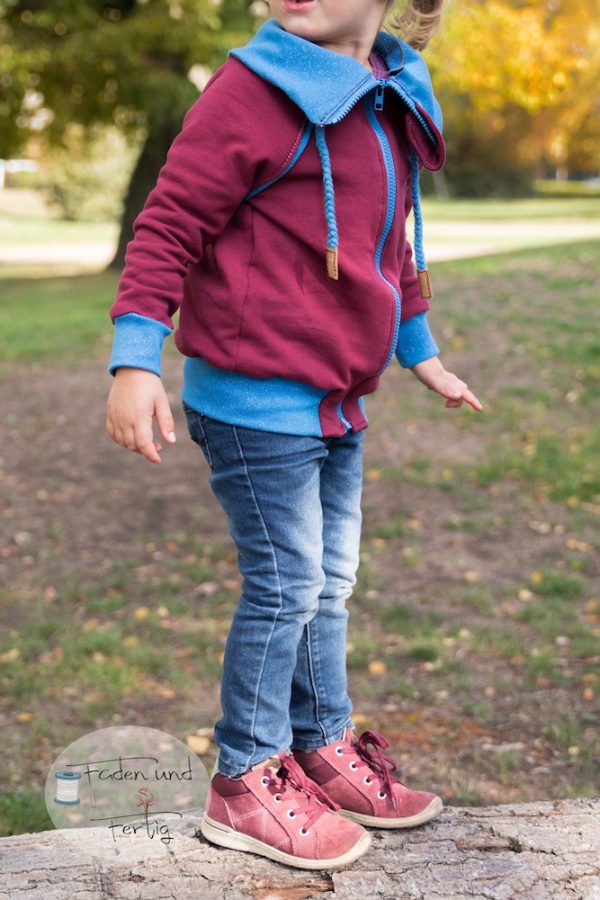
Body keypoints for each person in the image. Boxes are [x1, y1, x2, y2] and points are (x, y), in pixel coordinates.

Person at [106, 0, 483, 871]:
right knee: (286, 587)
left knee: (329, 584)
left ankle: (318, 749)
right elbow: (168, 224)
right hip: (254, 400)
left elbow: (391, 247)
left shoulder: (393, 91)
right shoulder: (251, 90)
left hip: (338, 397)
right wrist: (135, 357)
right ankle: (245, 778)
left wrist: (421, 352)